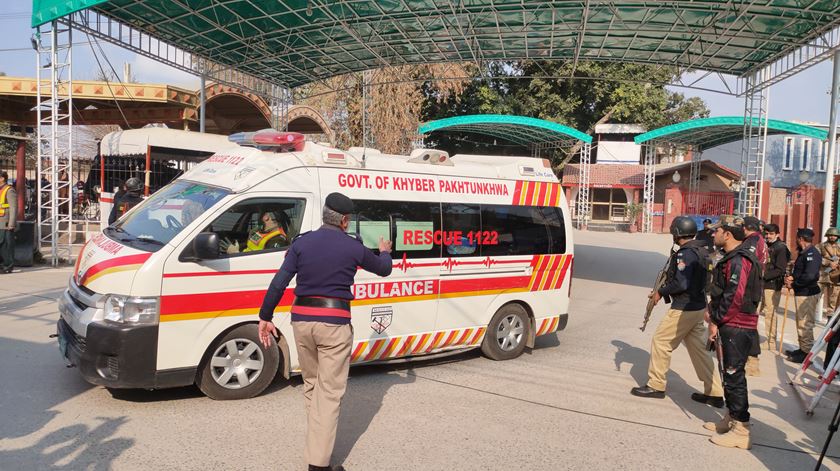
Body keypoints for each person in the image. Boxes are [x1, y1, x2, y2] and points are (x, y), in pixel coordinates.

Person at [257, 192, 393, 471]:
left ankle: (314, 448)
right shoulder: (353, 247)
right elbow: (383, 269)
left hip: (302, 323)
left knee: (312, 385)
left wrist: (265, 316)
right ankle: (318, 465)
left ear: (324, 215)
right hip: (334, 324)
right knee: (329, 393)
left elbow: (279, 282)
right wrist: (386, 250)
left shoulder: (302, 243)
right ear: (344, 220)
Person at [630, 216, 724, 406]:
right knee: (699, 350)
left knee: (661, 342)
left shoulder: (685, 254)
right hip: (698, 306)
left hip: (684, 308)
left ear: (677, 233)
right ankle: (714, 392)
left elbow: (681, 282)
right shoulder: (702, 250)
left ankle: (656, 385)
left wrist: (660, 292)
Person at [704, 216, 762, 449]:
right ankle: (732, 416)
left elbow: (734, 296)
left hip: (737, 326)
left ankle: (741, 428)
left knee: (734, 375)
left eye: (716, 230)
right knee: (729, 375)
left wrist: (716, 319)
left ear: (727, 234)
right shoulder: (732, 258)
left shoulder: (739, 260)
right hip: (732, 324)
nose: (713, 234)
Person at [785, 228, 823, 364]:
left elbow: (810, 276)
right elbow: (800, 271)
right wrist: (791, 278)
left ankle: (806, 353)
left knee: (805, 324)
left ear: (800, 238)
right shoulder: (804, 252)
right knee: (800, 322)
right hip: (802, 292)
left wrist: (794, 283)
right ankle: (802, 348)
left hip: (807, 293)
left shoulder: (812, 254)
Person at [740, 216, 767, 376]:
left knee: (748, 322)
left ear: (746, 227)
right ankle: (749, 356)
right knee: (748, 321)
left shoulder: (752, 241)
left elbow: (747, 265)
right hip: (755, 285)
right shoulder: (759, 239)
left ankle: (752, 359)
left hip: (750, 287)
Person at [762, 224, 790, 352]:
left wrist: (763, 276)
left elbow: (780, 270)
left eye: (771, 234)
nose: (768, 236)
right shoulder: (768, 245)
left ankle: (771, 342)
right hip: (763, 283)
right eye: (766, 233)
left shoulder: (781, 248)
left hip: (772, 285)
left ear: (777, 234)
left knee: (770, 313)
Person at [220, 210, 288, 254]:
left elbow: (265, 262)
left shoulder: (278, 240)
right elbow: (249, 246)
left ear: (266, 217)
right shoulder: (262, 232)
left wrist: (235, 253)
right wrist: (237, 247)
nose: (259, 219)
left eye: (260, 215)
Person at [818, 227, 840, 320]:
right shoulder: (821, 246)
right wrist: (828, 263)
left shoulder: (839, 247)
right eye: (830, 235)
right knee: (816, 297)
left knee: (833, 301)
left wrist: (837, 264)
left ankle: (830, 320)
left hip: (835, 277)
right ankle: (811, 315)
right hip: (823, 275)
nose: (832, 237)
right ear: (827, 235)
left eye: (834, 235)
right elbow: (816, 259)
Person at [0, 171, 17, 274]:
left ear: (2, 178)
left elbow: (13, 207)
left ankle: (8, 266)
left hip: (6, 222)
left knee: (7, 245)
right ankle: (2, 265)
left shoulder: (9, 190)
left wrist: (11, 223)